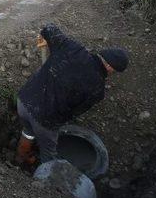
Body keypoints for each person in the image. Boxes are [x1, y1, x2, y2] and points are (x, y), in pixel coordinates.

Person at [15, 23, 129, 166]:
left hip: (24, 100)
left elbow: (49, 28)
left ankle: (20, 158)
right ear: (110, 68)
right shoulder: (98, 90)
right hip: (44, 120)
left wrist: (44, 37)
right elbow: (73, 113)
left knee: (28, 131)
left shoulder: (72, 48)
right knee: (49, 153)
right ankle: (43, 185)